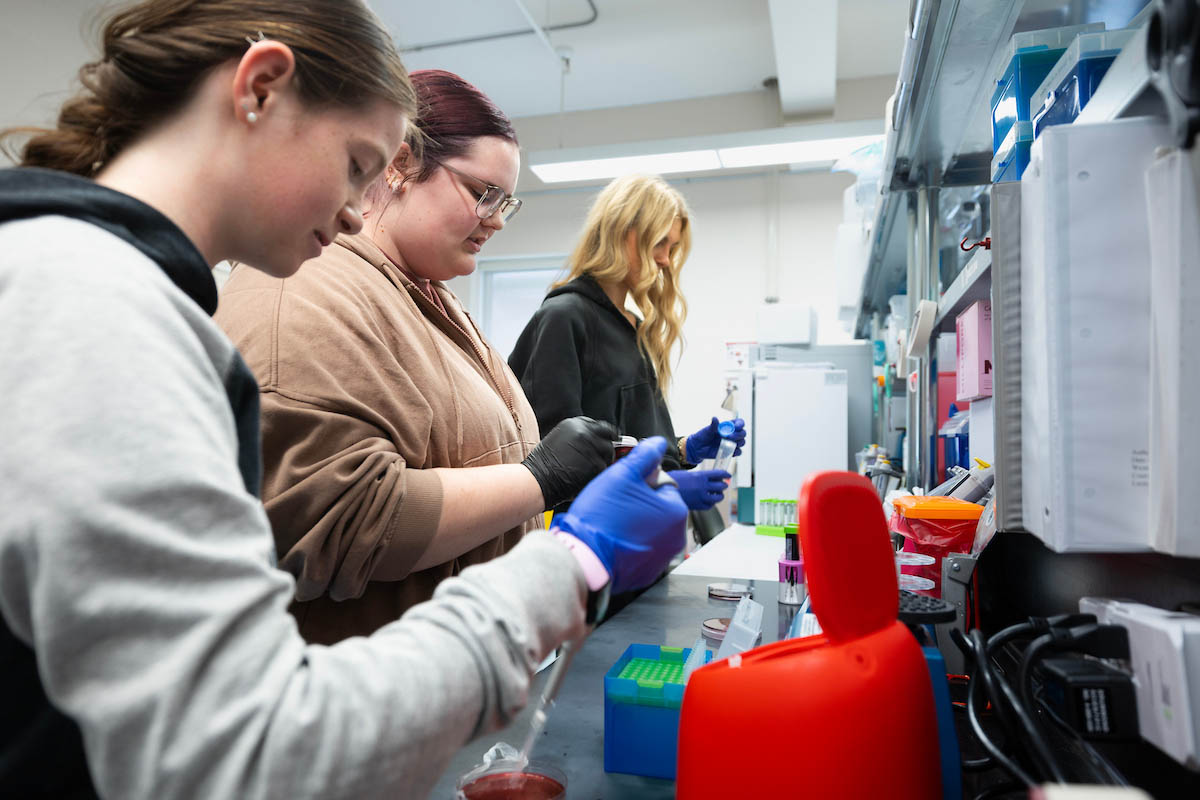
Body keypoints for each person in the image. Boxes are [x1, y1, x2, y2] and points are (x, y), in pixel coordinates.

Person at [0, 2, 686, 798]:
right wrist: (563, 566)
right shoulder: (89, 304)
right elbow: (252, 750)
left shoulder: (113, 293)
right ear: (260, 89)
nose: (362, 208)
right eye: (359, 164)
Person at [214, 69, 617, 644]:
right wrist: (539, 479)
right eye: (484, 194)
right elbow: (343, 521)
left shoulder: (425, 292)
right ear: (401, 164)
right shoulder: (304, 286)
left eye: (508, 202)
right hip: (366, 697)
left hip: (462, 670)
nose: (497, 219)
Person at [509, 173, 747, 513]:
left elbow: (629, 441)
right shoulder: (565, 318)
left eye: (672, 247)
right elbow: (554, 464)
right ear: (624, 235)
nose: (665, 259)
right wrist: (662, 485)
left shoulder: (630, 325)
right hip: (583, 541)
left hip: (636, 536)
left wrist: (683, 450)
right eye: (660, 243)